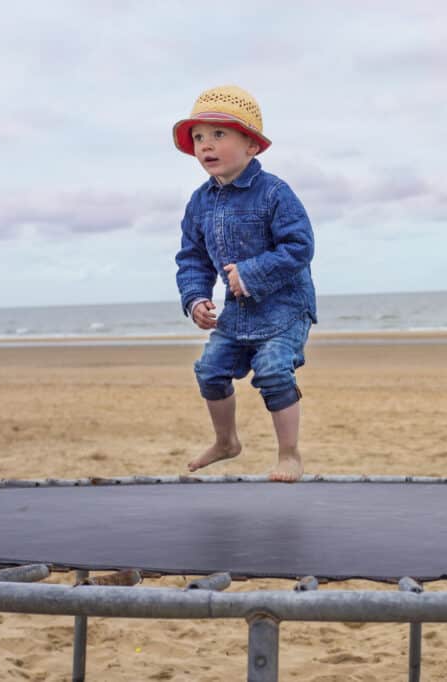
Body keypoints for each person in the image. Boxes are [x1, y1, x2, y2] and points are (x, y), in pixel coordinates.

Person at [173, 85, 316, 483]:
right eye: (199, 137)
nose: (206, 145)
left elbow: (300, 246)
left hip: (286, 307)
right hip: (238, 313)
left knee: (272, 370)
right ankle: (226, 441)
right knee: (210, 371)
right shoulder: (199, 203)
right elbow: (192, 258)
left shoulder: (274, 192)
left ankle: (289, 454)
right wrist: (196, 297)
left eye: (219, 135)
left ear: (251, 145)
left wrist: (252, 272)